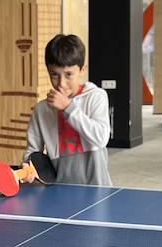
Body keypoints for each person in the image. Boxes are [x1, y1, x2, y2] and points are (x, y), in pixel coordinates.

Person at [23, 33, 112, 185]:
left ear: (82, 69)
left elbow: (101, 138)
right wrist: (27, 165)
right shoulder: (41, 109)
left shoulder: (96, 96)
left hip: (98, 187)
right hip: (61, 188)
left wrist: (68, 108)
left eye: (68, 74)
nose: (61, 83)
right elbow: (33, 151)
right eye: (55, 75)